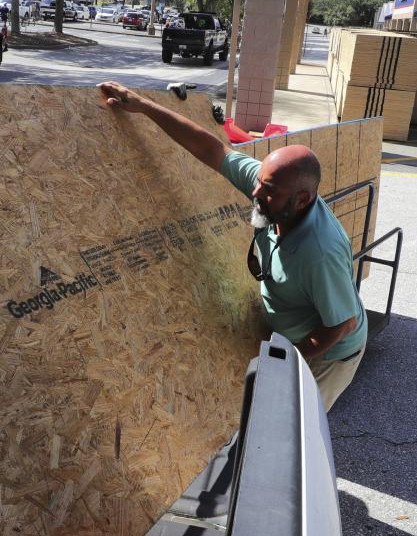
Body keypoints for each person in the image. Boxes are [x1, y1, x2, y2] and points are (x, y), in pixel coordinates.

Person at [98, 81, 367, 413]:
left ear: (302, 199)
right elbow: (213, 149)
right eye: (258, 183)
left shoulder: (320, 252)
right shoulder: (271, 187)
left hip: (329, 353)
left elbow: (342, 324)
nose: (255, 194)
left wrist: (284, 359)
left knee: (293, 429)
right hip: (292, 324)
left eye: (267, 190)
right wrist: (145, 106)